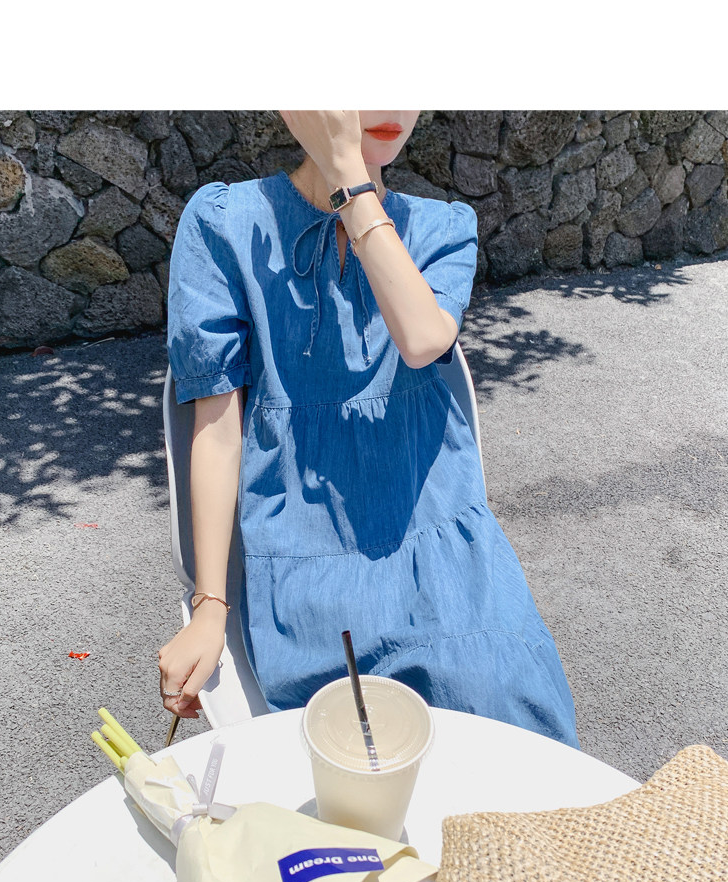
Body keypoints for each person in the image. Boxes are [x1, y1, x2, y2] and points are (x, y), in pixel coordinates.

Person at [159, 110, 579, 748]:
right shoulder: (223, 223)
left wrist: (349, 179)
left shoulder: (442, 228)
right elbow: (216, 429)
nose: (392, 103)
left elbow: (422, 339)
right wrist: (209, 605)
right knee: (359, 745)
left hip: (438, 536)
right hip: (307, 554)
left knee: (508, 708)